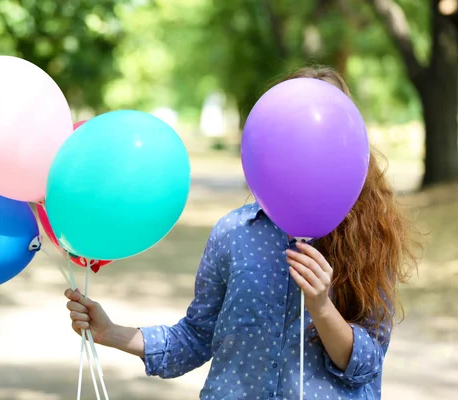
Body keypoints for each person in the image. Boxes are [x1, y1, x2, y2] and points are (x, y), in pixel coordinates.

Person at [64, 66, 422, 400]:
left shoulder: (368, 237)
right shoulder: (234, 233)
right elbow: (195, 337)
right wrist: (112, 333)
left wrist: (322, 307)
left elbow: (366, 365)